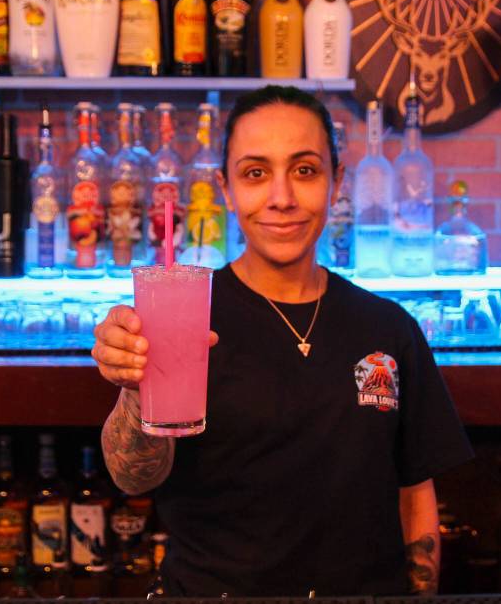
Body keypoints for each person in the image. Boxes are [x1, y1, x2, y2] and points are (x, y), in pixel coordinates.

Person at [93, 86, 473, 596]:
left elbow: (415, 495)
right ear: (227, 190)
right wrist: (136, 388)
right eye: (255, 173)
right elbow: (133, 478)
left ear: (336, 184)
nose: (282, 197)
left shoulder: (388, 327)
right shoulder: (184, 317)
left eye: (305, 170)